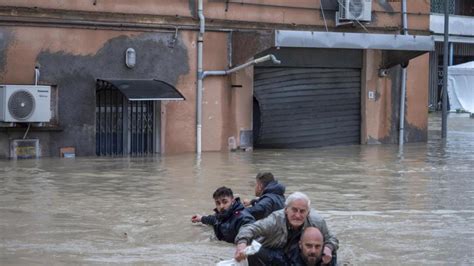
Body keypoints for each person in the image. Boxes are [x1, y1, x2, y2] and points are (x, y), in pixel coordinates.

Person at [234, 192, 338, 265]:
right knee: (254, 253)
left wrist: (328, 248)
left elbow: (332, 238)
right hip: (275, 253)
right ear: (286, 210)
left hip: (298, 254)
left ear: (308, 213)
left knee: (330, 253)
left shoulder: (317, 221)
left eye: (302, 211)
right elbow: (249, 228)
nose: (298, 215)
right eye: (294, 210)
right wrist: (241, 244)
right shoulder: (274, 221)